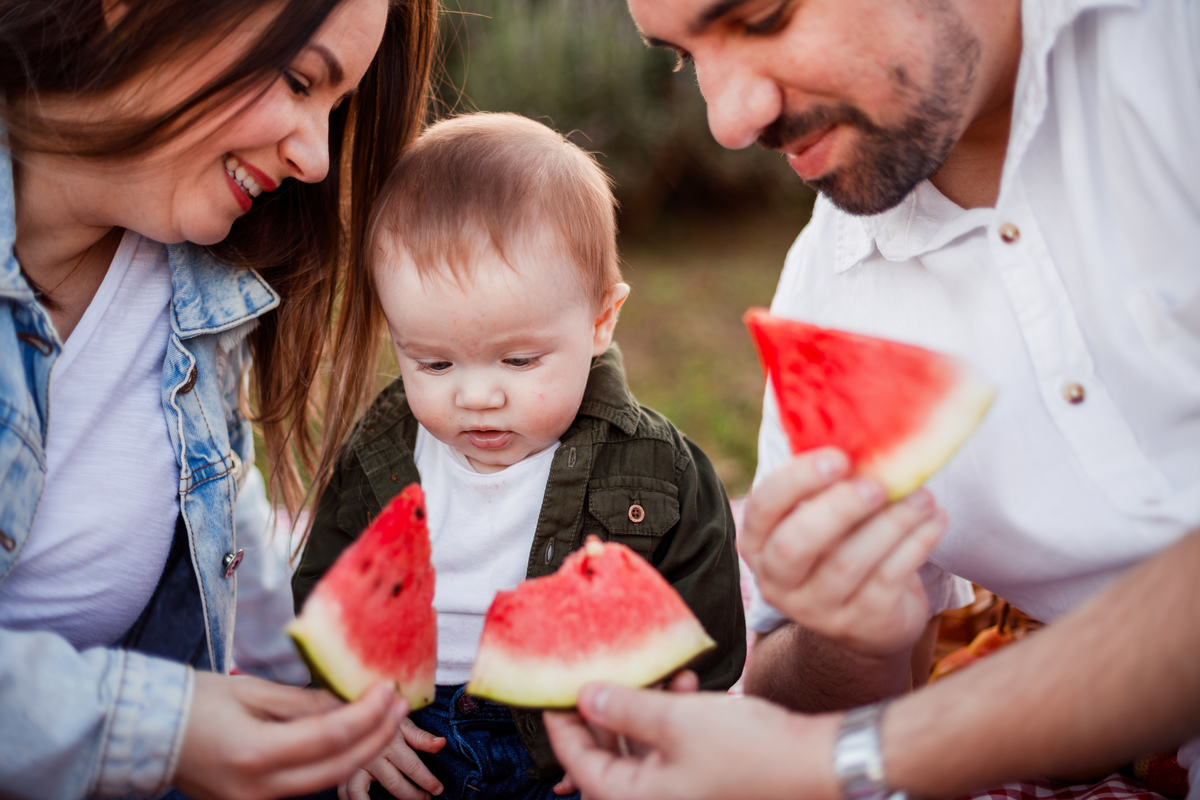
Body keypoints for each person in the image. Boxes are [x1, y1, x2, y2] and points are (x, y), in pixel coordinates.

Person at [544, 0, 1200, 798]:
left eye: (761, 15)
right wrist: (846, 638)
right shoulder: (827, 295)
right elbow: (797, 694)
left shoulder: (1170, 53)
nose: (730, 120)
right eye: (683, 58)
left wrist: (854, 757)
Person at [0, 0, 439, 797]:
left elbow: (220, 493)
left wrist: (311, 684)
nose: (316, 159)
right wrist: (156, 727)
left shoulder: (195, 283)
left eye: (334, 111)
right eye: (301, 80)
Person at [291, 112, 747, 800]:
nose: (477, 396)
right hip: (405, 739)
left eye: (519, 359)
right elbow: (323, 594)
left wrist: (653, 738)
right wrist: (349, 710)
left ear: (601, 320)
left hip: (574, 749)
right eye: (434, 362)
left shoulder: (657, 471)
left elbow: (703, 631)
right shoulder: (381, 452)